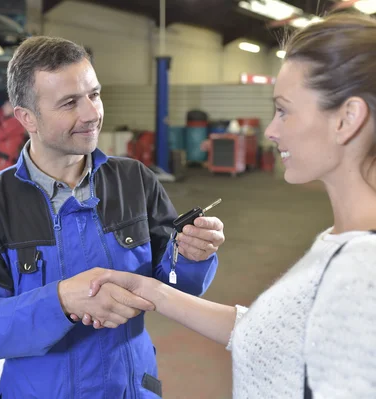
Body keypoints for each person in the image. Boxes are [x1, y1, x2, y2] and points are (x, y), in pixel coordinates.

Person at [83, 12, 376, 399]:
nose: (271, 130)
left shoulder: (361, 272)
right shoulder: (342, 243)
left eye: (284, 110)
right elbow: (282, 337)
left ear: (347, 118)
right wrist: (152, 290)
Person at [0, 36, 226, 398]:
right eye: (69, 103)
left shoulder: (134, 181)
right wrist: (60, 301)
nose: (92, 113)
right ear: (27, 117)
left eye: (93, 94)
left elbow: (174, 287)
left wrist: (191, 256)